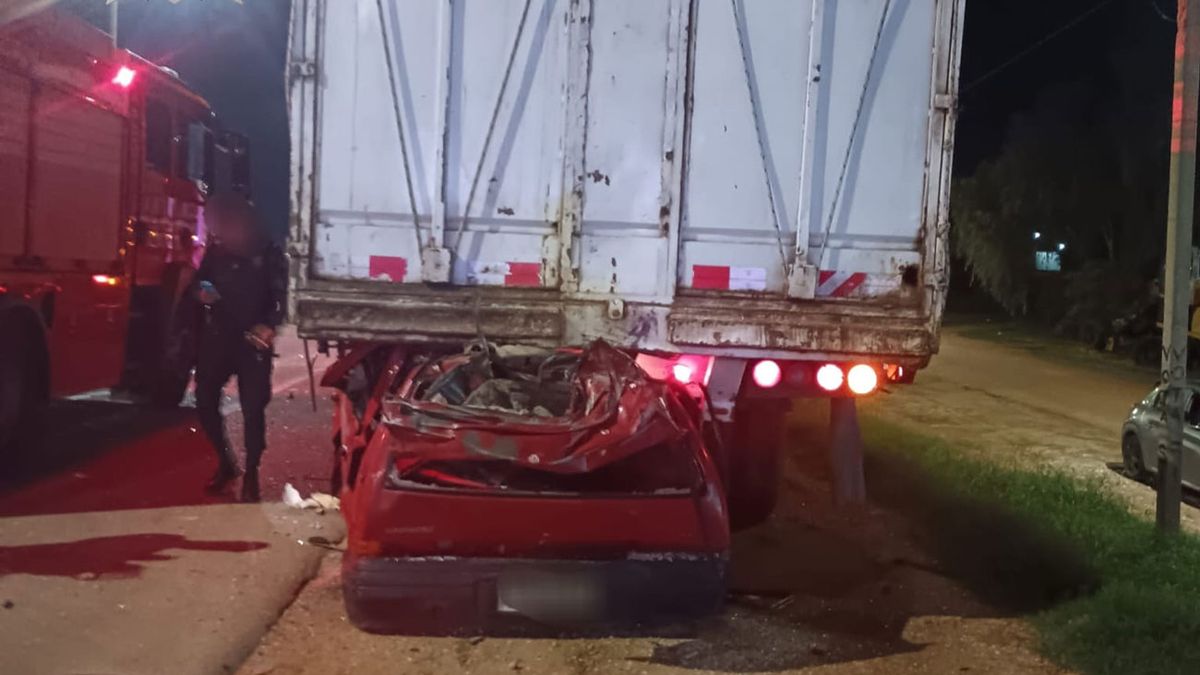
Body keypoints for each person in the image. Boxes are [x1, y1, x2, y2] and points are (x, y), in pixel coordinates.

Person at [193, 193, 286, 502]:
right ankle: (226, 462)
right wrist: (207, 294)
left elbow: (281, 298)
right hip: (220, 336)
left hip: (251, 340)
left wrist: (269, 325)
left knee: (252, 408)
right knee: (204, 398)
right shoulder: (217, 253)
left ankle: (253, 473)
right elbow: (200, 282)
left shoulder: (268, 254)